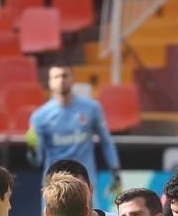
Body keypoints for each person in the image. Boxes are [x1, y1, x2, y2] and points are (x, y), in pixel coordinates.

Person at [27, 63, 121, 197]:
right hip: (55, 187)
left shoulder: (92, 109)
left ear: (72, 78)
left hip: (84, 184)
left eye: (65, 75)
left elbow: (106, 142)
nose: (61, 80)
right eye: (56, 77)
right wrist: (32, 149)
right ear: (49, 82)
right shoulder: (39, 117)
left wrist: (115, 172)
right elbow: (36, 162)